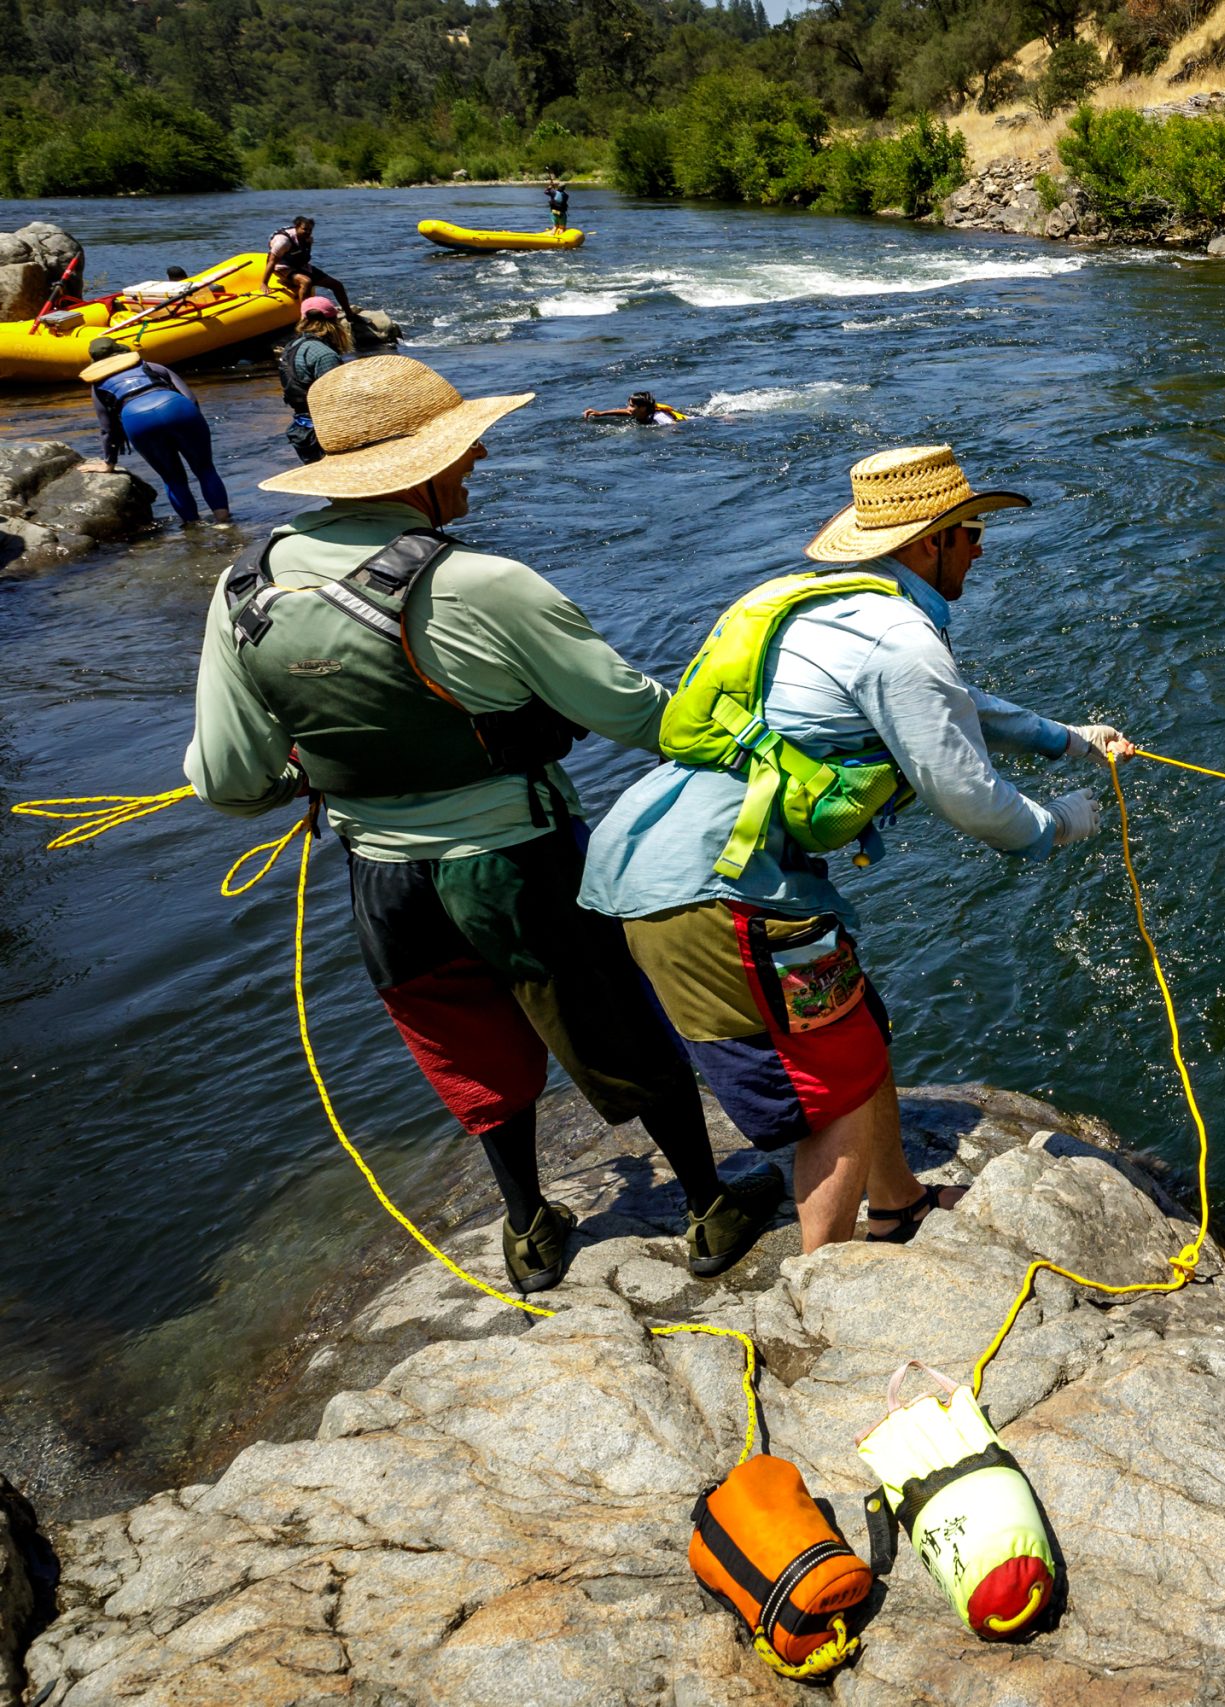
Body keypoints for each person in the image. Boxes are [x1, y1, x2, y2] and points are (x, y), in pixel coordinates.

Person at [183, 354, 786, 1295]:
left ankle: (531, 1227)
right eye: (462, 451)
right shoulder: (485, 584)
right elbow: (647, 716)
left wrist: (316, 774)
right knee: (614, 1024)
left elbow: (226, 779)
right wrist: (770, 744)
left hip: (382, 882)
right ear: (419, 471)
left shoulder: (243, 589)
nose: (476, 463)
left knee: (462, 1046)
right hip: (516, 863)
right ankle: (710, 1203)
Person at [579, 445, 1133, 1256]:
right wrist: (1062, 823)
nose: (980, 546)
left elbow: (958, 706)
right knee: (831, 1098)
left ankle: (899, 1201)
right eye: (968, 531)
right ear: (924, 544)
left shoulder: (828, 604)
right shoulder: (901, 641)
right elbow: (970, 799)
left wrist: (1070, 741)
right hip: (720, 892)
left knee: (858, 1030)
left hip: (659, 855)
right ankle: (831, 1288)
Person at [79, 339, 229, 526]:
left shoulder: (98, 386)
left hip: (136, 418)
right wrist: (194, 424)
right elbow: (190, 398)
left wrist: (109, 462)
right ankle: (223, 522)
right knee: (205, 469)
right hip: (177, 407)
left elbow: (107, 429)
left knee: (173, 479)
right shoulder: (150, 366)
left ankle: (193, 526)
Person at [275, 297, 353, 465]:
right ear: (334, 322)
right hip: (324, 432)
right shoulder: (325, 354)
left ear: (304, 319)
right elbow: (337, 399)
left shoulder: (292, 346)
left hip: (302, 430)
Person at [265, 216, 357, 317]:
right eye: (305, 229)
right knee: (306, 281)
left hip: (299, 265)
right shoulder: (283, 241)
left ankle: (350, 315)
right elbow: (271, 262)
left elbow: (305, 257)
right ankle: (305, 316)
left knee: (337, 285)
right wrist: (264, 283)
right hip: (281, 267)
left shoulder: (308, 239)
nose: (308, 232)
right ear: (297, 227)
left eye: (310, 230)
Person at [584, 390, 686, 424]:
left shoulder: (658, 417)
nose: (628, 408)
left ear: (643, 408)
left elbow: (673, 425)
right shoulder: (641, 412)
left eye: (631, 406)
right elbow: (626, 412)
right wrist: (601, 413)